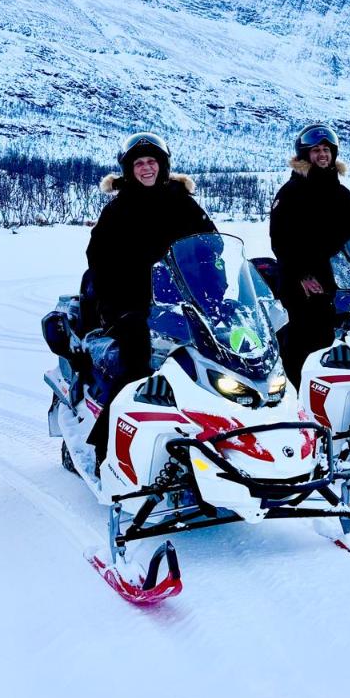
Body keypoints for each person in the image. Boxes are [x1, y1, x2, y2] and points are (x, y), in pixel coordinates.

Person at [84, 132, 215, 460]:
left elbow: (210, 244)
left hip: (183, 300)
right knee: (138, 363)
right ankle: (106, 447)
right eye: (139, 163)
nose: (146, 168)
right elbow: (99, 260)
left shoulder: (181, 201)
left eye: (151, 162)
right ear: (129, 169)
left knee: (220, 354)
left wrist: (216, 287)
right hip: (131, 303)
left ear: (162, 165)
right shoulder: (118, 210)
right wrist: (119, 306)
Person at [269, 123, 350, 388]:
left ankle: (328, 389)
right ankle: (299, 391)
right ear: (304, 155)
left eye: (326, 149)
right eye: (316, 151)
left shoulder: (340, 193)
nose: (322, 155)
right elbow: (280, 240)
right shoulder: (291, 193)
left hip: (333, 277)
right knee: (302, 339)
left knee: (331, 337)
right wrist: (301, 274)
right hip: (298, 280)